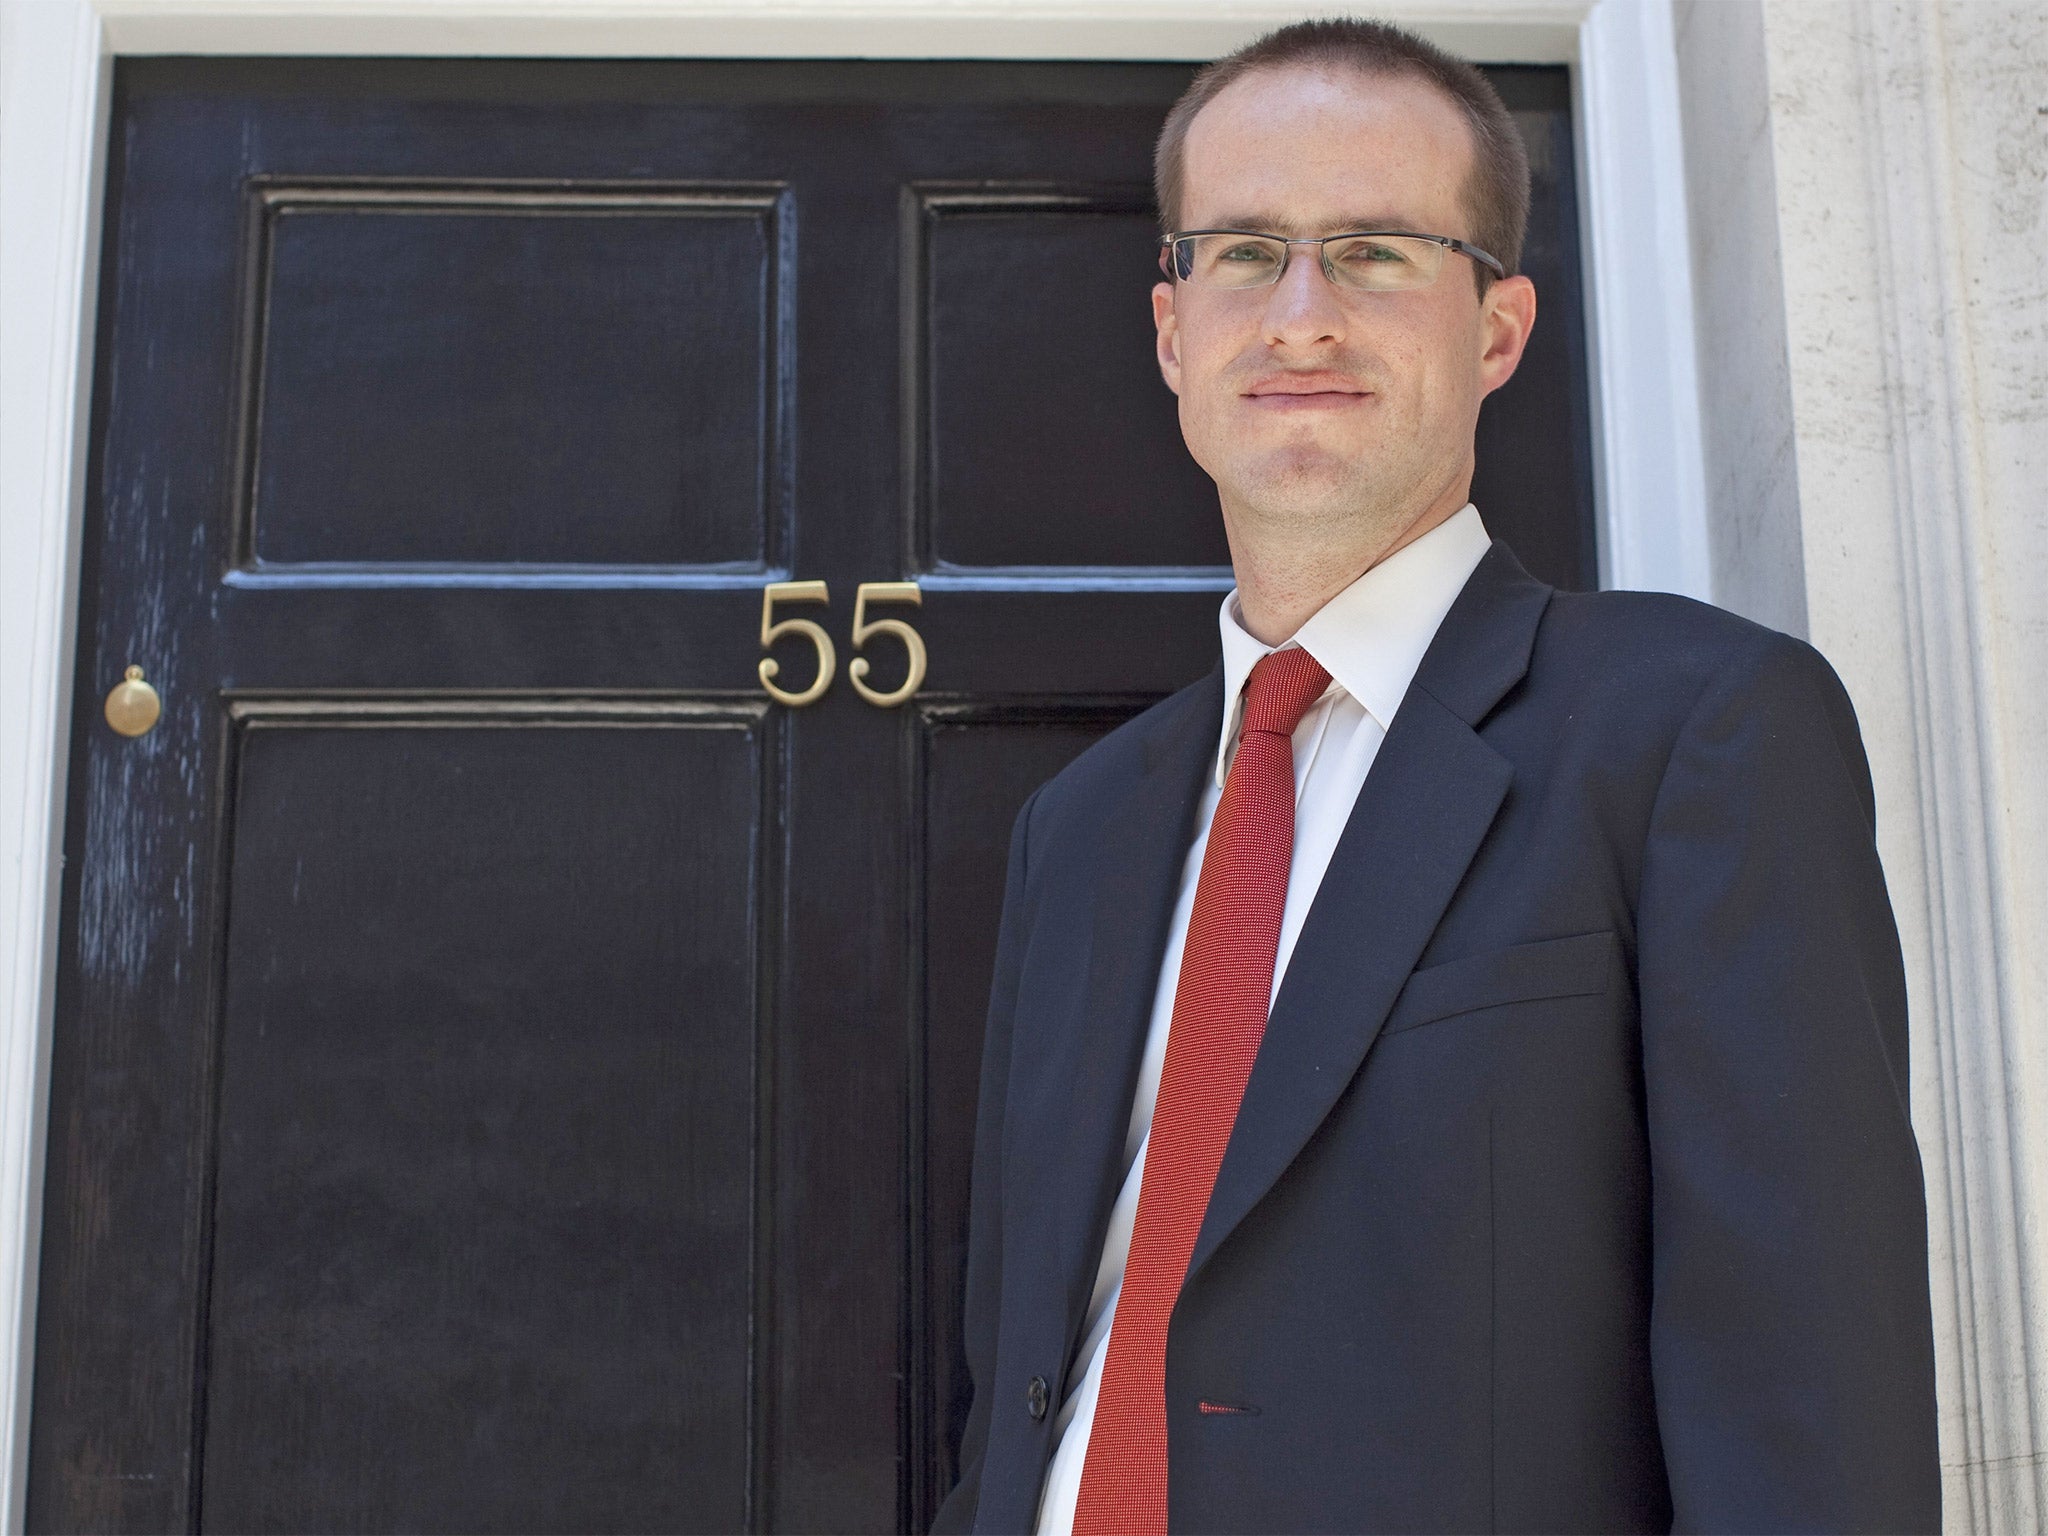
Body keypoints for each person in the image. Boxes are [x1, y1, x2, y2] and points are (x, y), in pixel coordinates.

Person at [932, 17, 1940, 1536]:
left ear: (1499, 330)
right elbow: (1023, 1365)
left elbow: (1807, 1406)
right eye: (1245, 251)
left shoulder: (1699, 732)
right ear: (1170, 332)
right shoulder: (1076, 833)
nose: (1301, 315)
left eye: (1379, 252)